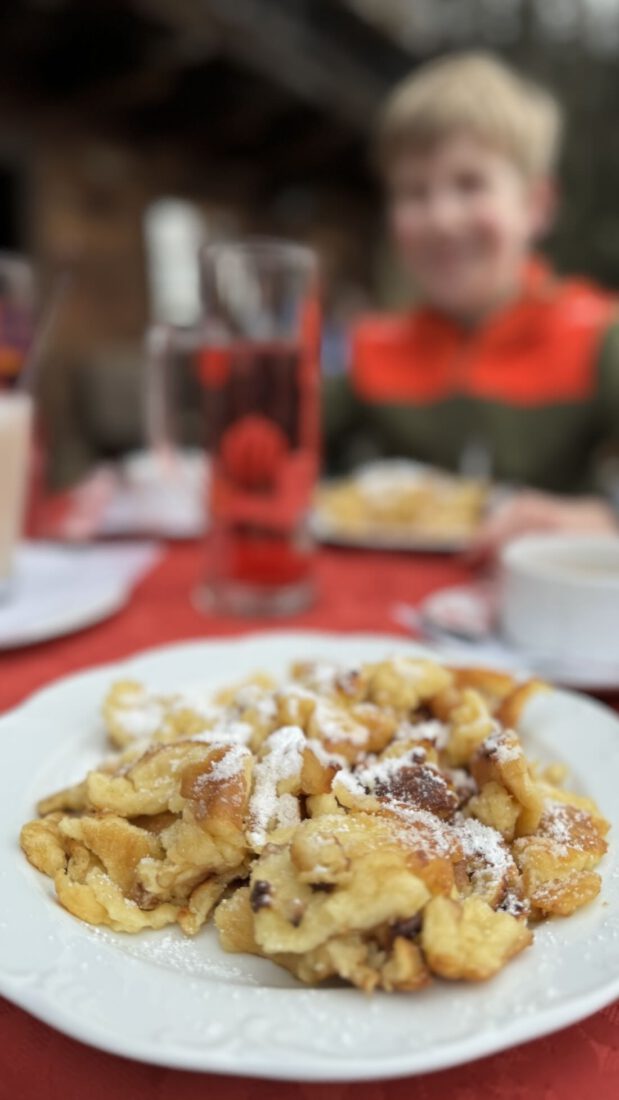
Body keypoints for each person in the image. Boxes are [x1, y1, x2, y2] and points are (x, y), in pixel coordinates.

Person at [325, 53, 619, 557]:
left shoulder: (597, 335)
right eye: (414, 192)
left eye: (470, 184)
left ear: (537, 206)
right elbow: (276, 449)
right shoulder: (371, 347)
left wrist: (601, 520)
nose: (441, 219)